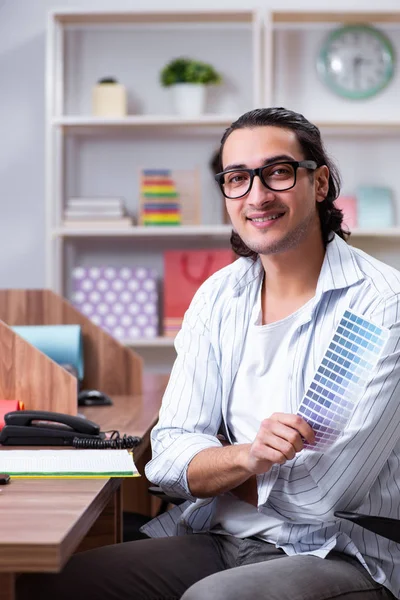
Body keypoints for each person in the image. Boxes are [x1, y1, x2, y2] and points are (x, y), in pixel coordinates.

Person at [17, 107, 400, 600]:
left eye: (278, 172)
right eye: (237, 178)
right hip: (223, 537)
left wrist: (218, 466)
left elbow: (323, 493)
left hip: (343, 553)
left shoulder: (378, 304)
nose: (257, 196)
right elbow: (168, 457)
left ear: (320, 183)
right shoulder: (220, 295)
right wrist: (247, 456)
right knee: (59, 584)